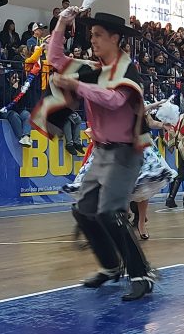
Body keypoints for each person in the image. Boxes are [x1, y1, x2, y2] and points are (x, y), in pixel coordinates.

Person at [34, 8, 156, 301]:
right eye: (91, 35)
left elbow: (114, 100)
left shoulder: (127, 70)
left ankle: (141, 274)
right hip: (103, 152)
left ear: (115, 38)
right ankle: (112, 267)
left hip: (125, 153)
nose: (94, 40)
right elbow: (55, 60)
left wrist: (77, 85)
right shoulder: (95, 70)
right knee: (84, 210)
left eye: (99, 35)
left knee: (111, 212)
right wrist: (63, 23)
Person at [65, 101, 177, 241]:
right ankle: (124, 222)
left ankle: (141, 223)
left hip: (141, 145)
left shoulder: (138, 100)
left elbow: (148, 121)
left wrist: (162, 125)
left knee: (144, 184)